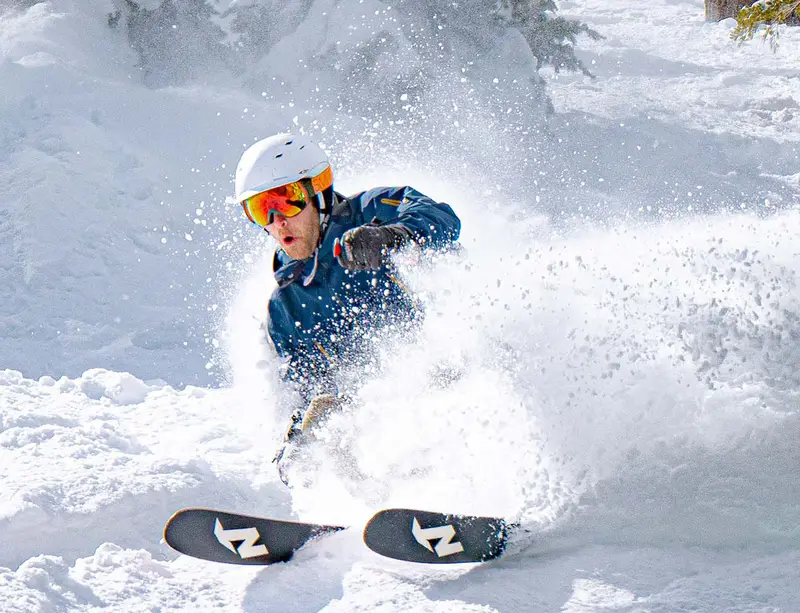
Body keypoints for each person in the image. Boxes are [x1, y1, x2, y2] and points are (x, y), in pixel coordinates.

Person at [233, 133, 461, 481]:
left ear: (319, 192)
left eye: (287, 201)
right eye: (261, 209)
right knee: (332, 426)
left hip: (453, 368)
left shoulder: (372, 212)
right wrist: (301, 440)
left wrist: (390, 237)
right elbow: (308, 387)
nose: (278, 220)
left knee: (438, 374)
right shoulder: (287, 306)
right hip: (389, 419)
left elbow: (444, 221)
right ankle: (371, 503)